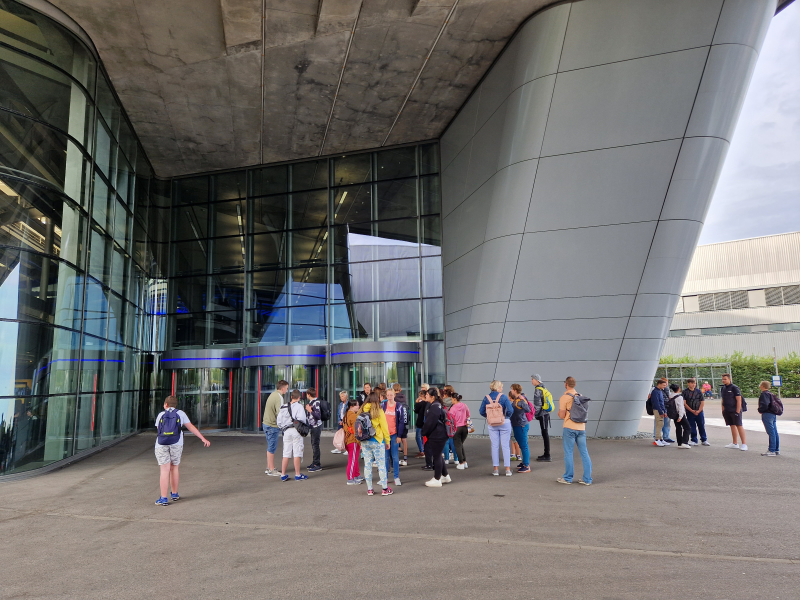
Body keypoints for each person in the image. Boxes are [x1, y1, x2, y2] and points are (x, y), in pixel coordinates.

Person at [154, 395, 211, 506]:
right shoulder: (181, 414)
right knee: (174, 467)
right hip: (177, 443)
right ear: (175, 405)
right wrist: (203, 438)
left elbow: (159, 430)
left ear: (166, 404)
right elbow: (191, 427)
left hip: (161, 444)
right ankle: (174, 494)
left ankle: (163, 498)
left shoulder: (161, 414)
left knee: (164, 470)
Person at [557, 377, 592, 485]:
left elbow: (561, 415)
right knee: (584, 453)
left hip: (569, 428)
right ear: (575, 385)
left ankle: (568, 478)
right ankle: (587, 479)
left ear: (566, 384)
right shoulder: (581, 397)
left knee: (568, 453)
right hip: (581, 428)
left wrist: (560, 413)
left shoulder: (564, 397)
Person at [360, 392, 393, 496]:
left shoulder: (362, 409)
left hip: (365, 441)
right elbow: (384, 427)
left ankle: (370, 489)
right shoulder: (378, 410)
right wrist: (387, 441)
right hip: (377, 441)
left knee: (367, 465)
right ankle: (384, 488)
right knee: (381, 465)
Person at [479, 380, 513, 476]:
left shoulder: (486, 398)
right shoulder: (504, 397)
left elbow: (481, 411)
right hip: (504, 422)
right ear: (498, 387)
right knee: (505, 446)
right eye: (501, 387)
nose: (502, 388)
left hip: (492, 424)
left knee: (494, 446)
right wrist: (505, 417)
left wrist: (489, 417)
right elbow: (510, 410)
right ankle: (507, 469)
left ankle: (495, 469)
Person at [421, 388, 451, 487]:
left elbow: (430, 423)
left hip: (437, 435)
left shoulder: (434, 407)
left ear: (432, 397)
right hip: (441, 434)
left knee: (437, 456)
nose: (425, 396)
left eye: (427, 395)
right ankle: (445, 475)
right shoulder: (437, 405)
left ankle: (437, 478)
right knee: (438, 455)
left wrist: (423, 432)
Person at [277, 389, 310, 481]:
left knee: (286, 453)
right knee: (297, 453)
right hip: (296, 431)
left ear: (291, 397)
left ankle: (283, 475)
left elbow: (279, 422)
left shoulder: (283, 407)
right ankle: (297, 474)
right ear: (299, 398)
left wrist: (283, 427)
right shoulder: (299, 406)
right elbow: (302, 419)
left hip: (286, 431)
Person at [263, 379, 289, 476]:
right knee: (272, 448)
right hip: (272, 426)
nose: (287, 390)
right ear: (282, 388)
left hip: (266, 424)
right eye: (286, 388)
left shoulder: (272, 394)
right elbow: (280, 414)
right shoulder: (279, 398)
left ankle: (268, 467)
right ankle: (271, 469)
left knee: (270, 447)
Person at [382, 387, 407, 486]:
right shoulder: (383, 405)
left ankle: (396, 477)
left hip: (394, 435)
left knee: (395, 456)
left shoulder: (399, 406)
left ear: (394, 395)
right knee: (385, 457)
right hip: (385, 436)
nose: (389, 397)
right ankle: (385, 478)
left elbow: (401, 422)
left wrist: (399, 435)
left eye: (391, 395)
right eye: (388, 395)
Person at [508, 383, 532, 473]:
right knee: (522, 444)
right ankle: (524, 462)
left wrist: (523, 400)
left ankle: (526, 465)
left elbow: (528, 409)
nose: (510, 390)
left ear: (515, 390)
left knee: (524, 445)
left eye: (511, 389)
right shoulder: (517, 399)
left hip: (521, 425)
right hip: (517, 424)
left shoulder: (521, 400)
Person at [720, 374, 747, 451]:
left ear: (729, 379)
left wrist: (738, 411)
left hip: (734, 410)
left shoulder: (734, 388)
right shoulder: (723, 388)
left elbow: (739, 400)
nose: (723, 380)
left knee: (739, 425)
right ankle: (735, 443)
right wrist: (723, 409)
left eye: (725, 379)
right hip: (727, 410)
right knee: (732, 425)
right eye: (723, 379)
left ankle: (744, 444)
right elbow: (723, 399)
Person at [530, 375, 552, 462]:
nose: (531, 381)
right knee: (545, 433)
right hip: (546, 413)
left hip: (542, 414)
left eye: (532, 379)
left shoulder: (538, 390)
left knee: (545, 433)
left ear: (536, 380)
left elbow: (537, 405)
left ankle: (547, 455)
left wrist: (535, 414)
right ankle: (546, 454)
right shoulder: (544, 388)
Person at [682, 378, 709, 446]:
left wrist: (699, 410)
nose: (693, 385)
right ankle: (694, 440)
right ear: (688, 384)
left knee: (701, 425)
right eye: (692, 383)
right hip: (690, 412)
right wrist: (691, 410)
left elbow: (702, 401)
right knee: (692, 426)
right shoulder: (685, 392)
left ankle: (704, 439)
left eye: (694, 383)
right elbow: (684, 403)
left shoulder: (698, 391)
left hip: (699, 411)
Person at [343, 398, 363, 484]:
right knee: (353, 460)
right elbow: (356, 430)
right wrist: (360, 441)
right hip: (353, 440)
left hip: (348, 440)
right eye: (357, 405)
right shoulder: (353, 416)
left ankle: (356, 475)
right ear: (351, 406)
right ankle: (351, 478)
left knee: (354, 458)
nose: (358, 406)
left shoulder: (346, 414)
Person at [757, 381, 780, 457]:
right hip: (773, 413)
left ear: (763, 386)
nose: (760, 386)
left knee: (771, 432)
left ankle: (771, 450)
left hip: (767, 414)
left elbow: (765, 404)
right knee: (774, 432)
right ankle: (776, 449)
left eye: (760, 385)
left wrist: (760, 410)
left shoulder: (764, 394)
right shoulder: (771, 394)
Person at [449, 391, 470, 469]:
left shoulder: (453, 408)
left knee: (457, 446)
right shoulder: (464, 405)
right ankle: (464, 462)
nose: (451, 401)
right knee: (460, 444)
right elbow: (468, 415)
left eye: (451, 399)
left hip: (456, 428)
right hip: (465, 427)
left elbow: (450, 419)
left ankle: (461, 463)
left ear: (454, 399)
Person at [305, 387, 323, 472]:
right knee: (314, 444)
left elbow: (318, 416)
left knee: (315, 445)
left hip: (316, 426)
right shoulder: (312, 402)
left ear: (309, 394)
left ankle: (317, 464)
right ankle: (315, 462)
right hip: (313, 426)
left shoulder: (316, 402)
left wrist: (310, 410)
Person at [668, 383, 690, 449]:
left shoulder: (670, 396)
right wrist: (680, 416)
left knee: (678, 428)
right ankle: (685, 442)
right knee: (687, 428)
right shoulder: (679, 397)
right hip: (680, 414)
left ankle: (679, 443)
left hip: (674, 414)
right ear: (679, 389)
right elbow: (680, 407)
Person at [649, 379, 670, 447]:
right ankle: (657, 439)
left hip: (661, 409)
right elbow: (656, 403)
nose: (664, 386)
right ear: (659, 384)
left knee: (661, 424)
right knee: (659, 424)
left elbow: (661, 402)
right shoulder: (655, 392)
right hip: (657, 410)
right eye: (663, 385)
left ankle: (660, 439)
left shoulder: (659, 391)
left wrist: (664, 411)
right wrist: (661, 411)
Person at [393, 383, 409, 465]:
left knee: (395, 439)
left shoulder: (394, 399)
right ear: (400, 389)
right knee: (404, 439)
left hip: (396, 422)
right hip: (405, 421)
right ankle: (405, 458)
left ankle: (396, 459)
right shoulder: (404, 398)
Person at [442, 386, 457, 464]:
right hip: (453, 424)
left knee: (446, 441)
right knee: (454, 441)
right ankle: (456, 459)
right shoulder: (454, 402)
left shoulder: (442, 402)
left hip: (445, 423)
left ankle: (446, 459)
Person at [332, 390, 349, 455]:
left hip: (346, 421)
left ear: (346, 396)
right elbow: (339, 413)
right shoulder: (340, 404)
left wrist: (344, 421)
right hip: (341, 421)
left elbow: (348, 414)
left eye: (342, 396)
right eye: (340, 396)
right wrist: (339, 420)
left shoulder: (349, 404)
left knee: (347, 435)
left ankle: (347, 449)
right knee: (339, 435)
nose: (341, 398)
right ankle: (339, 448)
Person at [414, 388, 429, 459]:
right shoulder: (429, 403)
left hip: (420, 423)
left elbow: (416, 410)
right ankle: (425, 450)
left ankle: (421, 451)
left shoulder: (421, 403)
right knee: (424, 437)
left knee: (418, 437)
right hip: (426, 423)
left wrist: (416, 403)